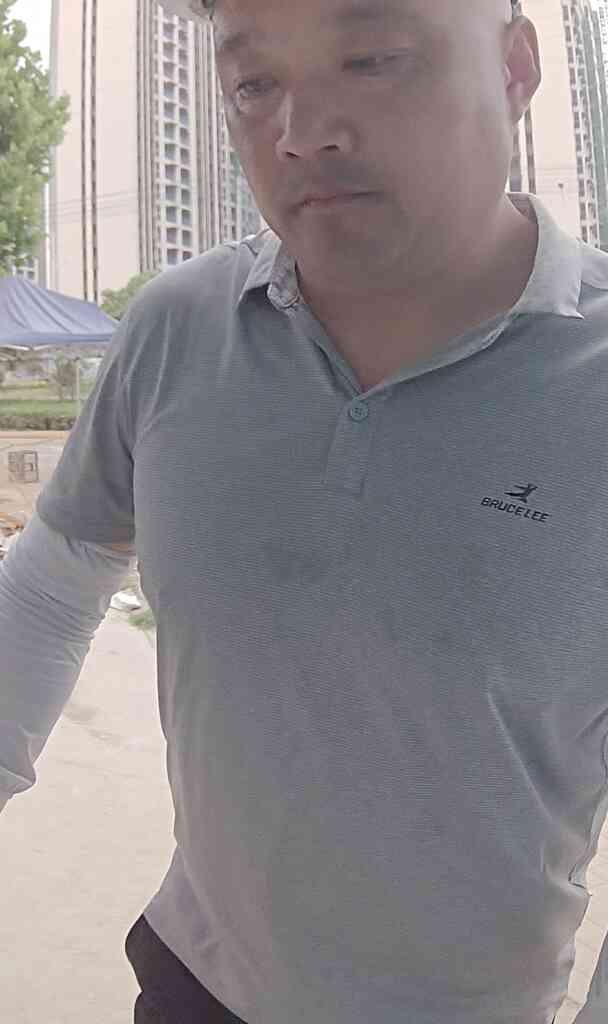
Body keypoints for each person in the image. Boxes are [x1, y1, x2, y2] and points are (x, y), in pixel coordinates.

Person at [1, 0, 607, 1021]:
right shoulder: (178, 326)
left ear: (513, 67)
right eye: (253, 83)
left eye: (372, 57)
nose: (300, 133)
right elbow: (57, 574)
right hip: (191, 979)